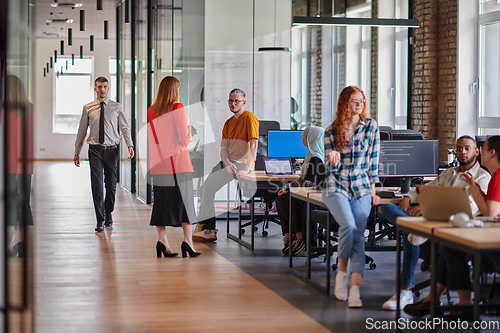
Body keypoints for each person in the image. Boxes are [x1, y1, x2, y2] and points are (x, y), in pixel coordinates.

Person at [379, 135, 491, 311]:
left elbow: (468, 209)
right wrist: (409, 197)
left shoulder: (482, 177)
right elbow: (426, 190)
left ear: (476, 151)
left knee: (410, 232)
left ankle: (405, 290)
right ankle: (413, 227)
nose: (463, 152)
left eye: (467, 148)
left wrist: (427, 208)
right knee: (386, 208)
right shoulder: (449, 173)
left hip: (449, 229)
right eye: (459, 148)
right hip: (427, 223)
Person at [405, 135, 500, 320]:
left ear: (491, 152)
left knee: (452, 246)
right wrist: (475, 189)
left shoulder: (497, 176)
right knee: (450, 245)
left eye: (483, 148)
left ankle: (458, 304)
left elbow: (490, 214)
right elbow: (488, 209)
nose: (479, 154)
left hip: (493, 241)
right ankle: (456, 303)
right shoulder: (493, 176)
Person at [322, 86, 380, 308]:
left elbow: (373, 162)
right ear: (345, 104)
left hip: (361, 187)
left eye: (362, 101)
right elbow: (328, 168)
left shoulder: (371, 127)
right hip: (335, 185)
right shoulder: (331, 132)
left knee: (358, 236)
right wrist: (332, 158)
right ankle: (341, 275)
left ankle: (355, 289)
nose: (359, 104)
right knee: (348, 226)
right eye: (354, 101)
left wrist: (373, 191)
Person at [193, 88, 259, 242]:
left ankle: (206, 227)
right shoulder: (228, 123)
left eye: (237, 101)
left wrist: (248, 168)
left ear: (244, 102)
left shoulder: (249, 118)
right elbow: (223, 149)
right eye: (231, 100)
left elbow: (254, 145)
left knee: (208, 188)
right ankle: (208, 227)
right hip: (229, 163)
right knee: (204, 189)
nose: (233, 103)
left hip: (241, 164)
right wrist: (227, 162)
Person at [147, 76, 200, 258]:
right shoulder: (178, 108)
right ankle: (188, 242)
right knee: (186, 204)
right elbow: (184, 139)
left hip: (159, 164)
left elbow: (155, 138)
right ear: (174, 91)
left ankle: (162, 242)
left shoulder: (151, 110)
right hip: (178, 164)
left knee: (161, 204)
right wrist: (189, 132)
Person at [74, 76, 134, 232]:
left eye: (104, 86)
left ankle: (109, 212)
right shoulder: (88, 108)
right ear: (95, 89)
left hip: (112, 151)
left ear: (108, 88)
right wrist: (77, 151)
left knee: (111, 186)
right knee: (97, 186)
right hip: (95, 150)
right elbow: (81, 131)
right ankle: (100, 219)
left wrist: (130, 145)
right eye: (99, 87)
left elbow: (125, 128)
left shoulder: (117, 107)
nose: (102, 89)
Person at [276, 126, 325, 256]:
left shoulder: (316, 159)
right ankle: (289, 236)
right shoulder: (311, 155)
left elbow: (309, 184)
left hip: (314, 198)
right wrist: (288, 189)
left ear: (312, 138)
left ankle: (300, 237)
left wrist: (289, 190)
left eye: (304, 134)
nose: (302, 137)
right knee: (282, 196)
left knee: (285, 199)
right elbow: (303, 180)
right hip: (308, 194)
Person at [6, 75, 34, 257]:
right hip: (25, 164)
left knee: (13, 201)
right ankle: (20, 240)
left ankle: (18, 240)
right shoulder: (30, 109)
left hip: (9, 164)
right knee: (22, 201)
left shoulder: (5, 111)